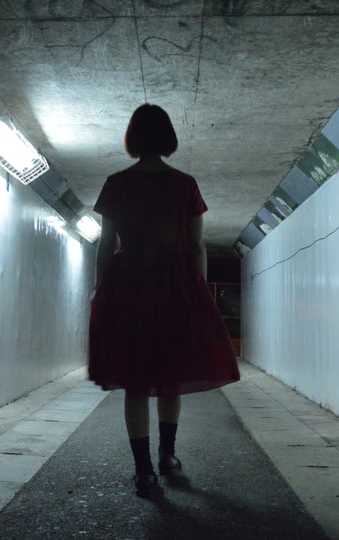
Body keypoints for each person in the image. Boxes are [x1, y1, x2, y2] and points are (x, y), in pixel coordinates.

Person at [88, 104, 241, 498]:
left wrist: (100, 288)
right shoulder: (185, 184)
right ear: (168, 137)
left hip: (129, 286)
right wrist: (198, 292)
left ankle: (143, 471)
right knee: (170, 374)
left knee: (135, 379)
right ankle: (167, 456)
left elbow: (106, 245)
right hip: (175, 285)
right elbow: (197, 245)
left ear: (132, 138)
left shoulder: (117, 183)